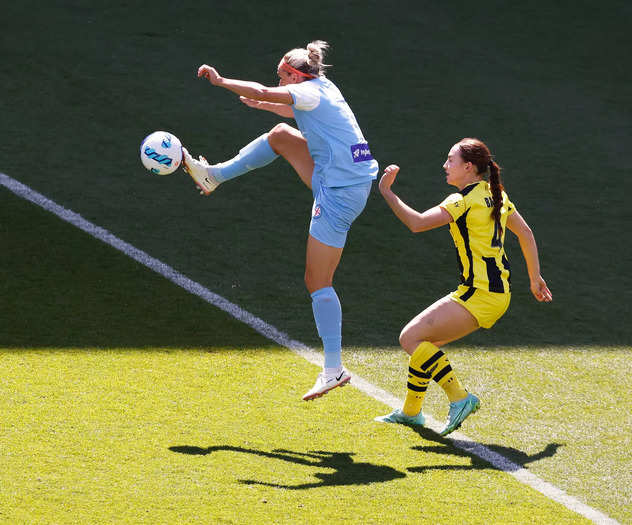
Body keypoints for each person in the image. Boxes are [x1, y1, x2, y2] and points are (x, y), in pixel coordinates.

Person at [181, 41, 378, 401]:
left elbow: (264, 90)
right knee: (281, 136)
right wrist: (268, 104)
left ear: (294, 75)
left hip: (339, 193)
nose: (278, 82)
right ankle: (214, 176)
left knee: (317, 281)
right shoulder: (323, 87)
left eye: (281, 77)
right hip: (344, 177)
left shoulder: (305, 91)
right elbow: (299, 111)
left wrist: (221, 81)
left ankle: (333, 369)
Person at [374, 138, 552, 436]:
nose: (445, 166)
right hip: (495, 294)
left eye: (450, 160)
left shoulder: (461, 201)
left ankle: (460, 397)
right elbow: (526, 233)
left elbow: (417, 223)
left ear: (468, 167)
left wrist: (386, 192)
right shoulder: (495, 195)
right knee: (424, 343)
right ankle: (410, 411)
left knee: (410, 338)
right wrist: (535, 278)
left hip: (479, 294)